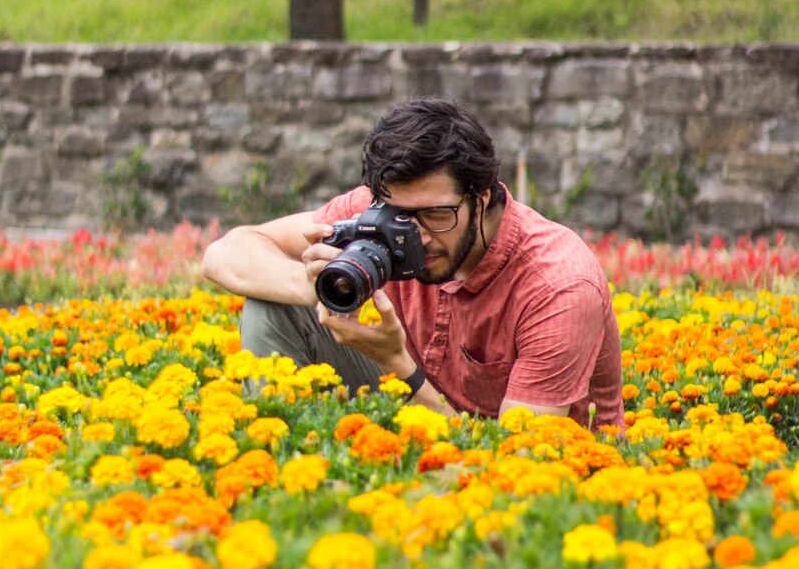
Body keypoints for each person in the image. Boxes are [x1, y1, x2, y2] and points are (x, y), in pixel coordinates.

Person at [201, 97, 624, 430]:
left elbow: (514, 467)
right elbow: (224, 254)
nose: (415, 234)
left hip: (546, 496)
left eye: (436, 215)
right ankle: (280, 475)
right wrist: (313, 284)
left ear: (481, 199)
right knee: (272, 305)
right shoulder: (380, 213)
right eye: (398, 215)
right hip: (417, 424)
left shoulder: (558, 287)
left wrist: (396, 363)